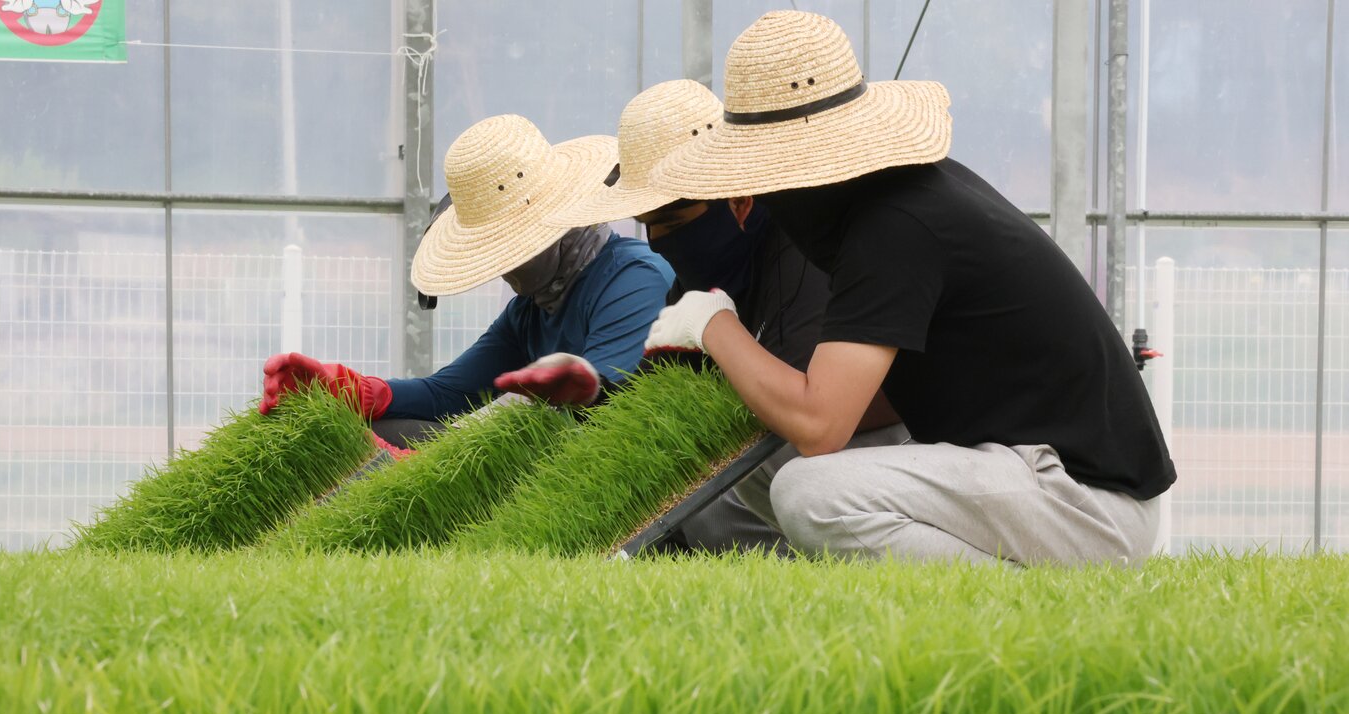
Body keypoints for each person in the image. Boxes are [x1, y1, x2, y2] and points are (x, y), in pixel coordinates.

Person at [641, 10, 1176, 566]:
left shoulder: (894, 226)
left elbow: (820, 425)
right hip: (1024, 471)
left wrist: (710, 324)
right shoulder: (894, 200)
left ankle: (1034, 601)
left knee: (806, 492)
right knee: (762, 467)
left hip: (1087, 503)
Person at [496, 79, 861, 552]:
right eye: (651, 228)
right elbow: (663, 387)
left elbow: (804, 416)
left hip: (875, 442)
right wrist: (595, 393)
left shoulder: (802, 253)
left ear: (738, 199)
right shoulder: (699, 271)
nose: (663, 242)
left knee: (718, 506)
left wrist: (717, 329)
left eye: (673, 222)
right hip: (803, 444)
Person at [260, 114, 673, 447]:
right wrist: (362, 391)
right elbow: (447, 395)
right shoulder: (528, 311)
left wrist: (444, 471)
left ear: (558, 223)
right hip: (559, 458)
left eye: (511, 246)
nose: (504, 268)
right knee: (386, 429)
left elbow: (598, 415)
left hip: (634, 481)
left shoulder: (633, 279)